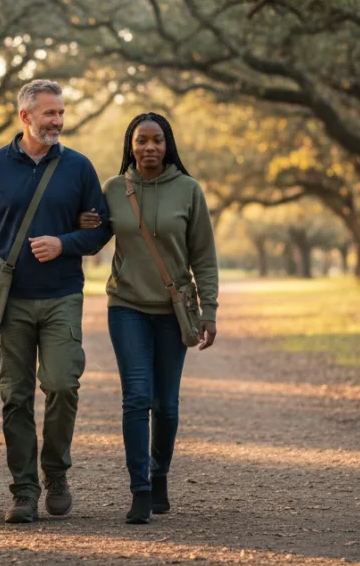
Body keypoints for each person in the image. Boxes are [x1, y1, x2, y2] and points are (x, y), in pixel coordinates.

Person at [0, 79, 109, 524]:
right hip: (9, 302)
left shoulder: (78, 167)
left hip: (61, 295)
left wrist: (64, 243)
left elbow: (101, 230)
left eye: (61, 113)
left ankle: (56, 474)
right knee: (16, 397)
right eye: (49, 114)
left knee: (62, 385)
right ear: (25, 117)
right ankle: (24, 490)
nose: (58, 121)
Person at [79, 112, 218, 524]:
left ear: (167, 143)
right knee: (137, 398)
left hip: (173, 312)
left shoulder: (189, 190)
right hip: (126, 306)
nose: (149, 147)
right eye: (141, 140)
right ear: (131, 145)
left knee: (166, 404)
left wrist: (208, 310)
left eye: (157, 140)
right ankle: (139, 488)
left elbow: (204, 257)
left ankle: (160, 476)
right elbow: (95, 238)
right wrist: (82, 224)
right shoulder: (114, 189)